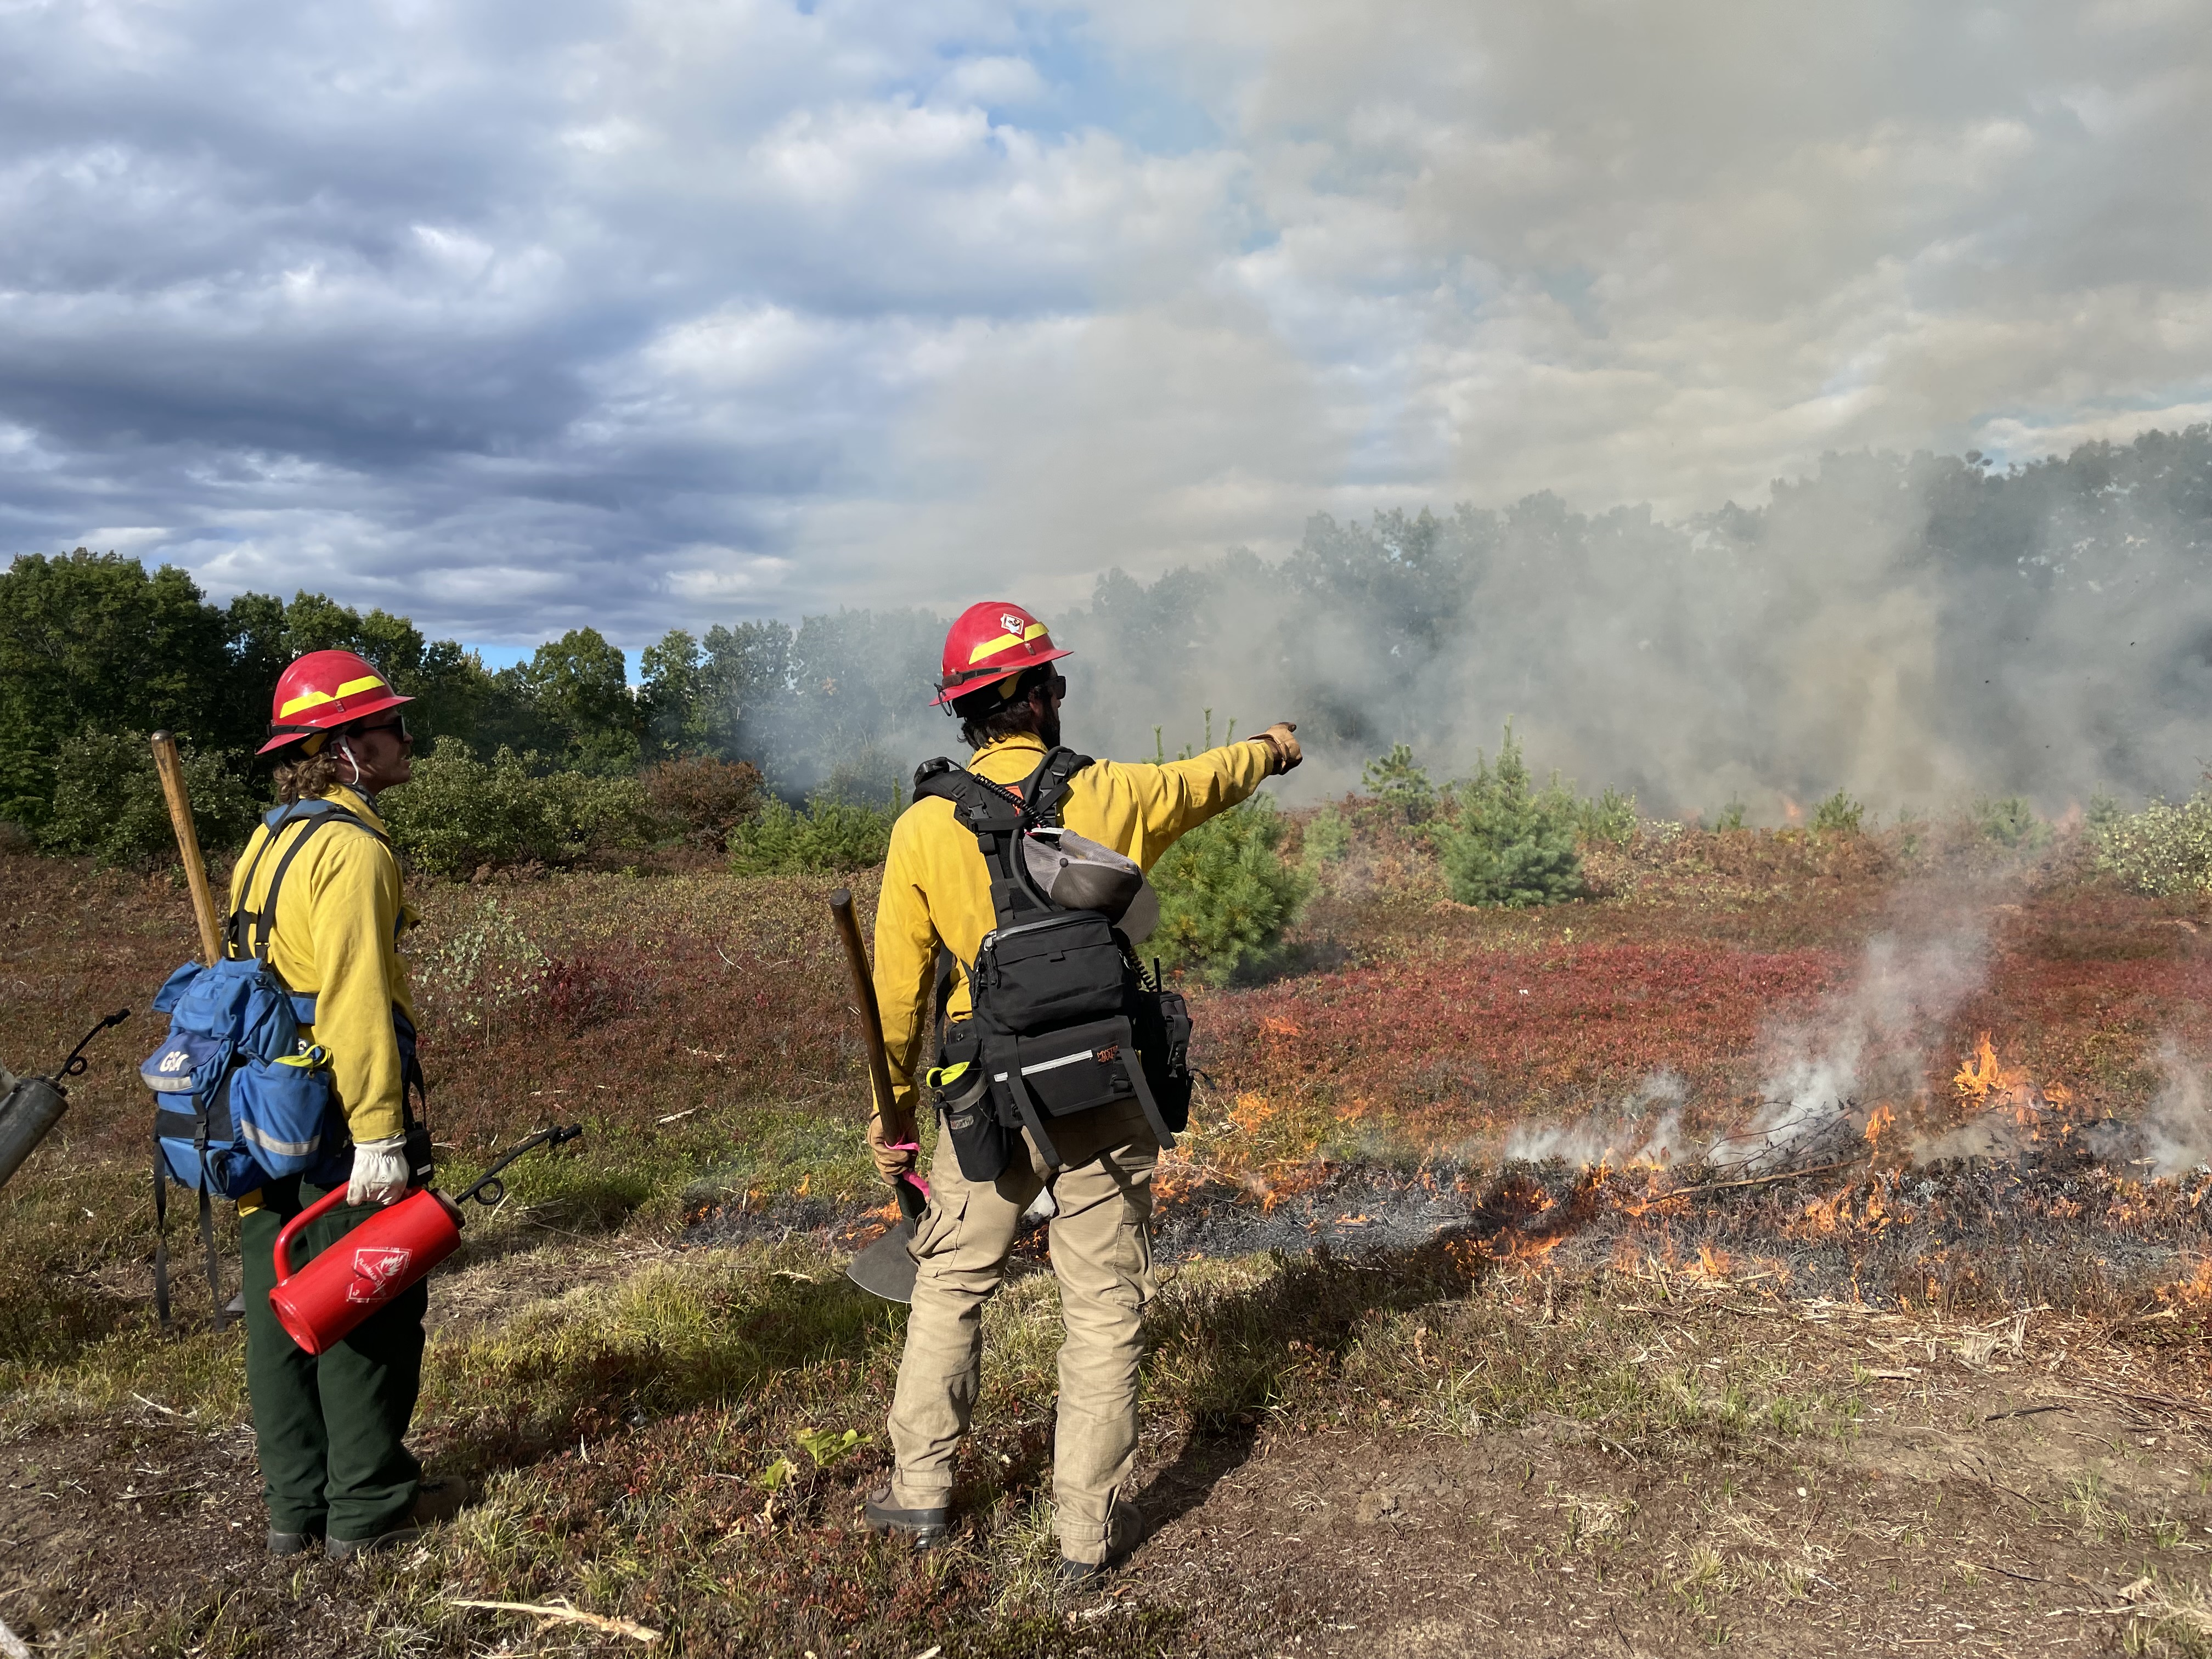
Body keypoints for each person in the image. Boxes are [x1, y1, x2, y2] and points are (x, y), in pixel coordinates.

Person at [862, 600, 1300, 1584]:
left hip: (983, 1096)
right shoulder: (1110, 793)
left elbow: (896, 1000)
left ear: (968, 711)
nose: (1060, 694)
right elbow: (1206, 778)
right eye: (1052, 682)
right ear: (1027, 698)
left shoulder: (924, 830)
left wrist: (890, 1118)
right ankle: (1085, 1541)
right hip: (1105, 1081)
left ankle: (923, 1491)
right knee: (1101, 1302)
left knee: (950, 1280)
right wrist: (1272, 751)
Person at [233, 649, 458, 1559]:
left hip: (261, 1114)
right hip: (332, 1116)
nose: (406, 737)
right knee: (364, 1301)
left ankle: (296, 1511)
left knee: (279, 1306)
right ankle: (367, 1510)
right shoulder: (352, 851)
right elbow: (355, 997)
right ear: (345, 749)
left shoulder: (269, 838)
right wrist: (379, 1135)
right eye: (390, 724)